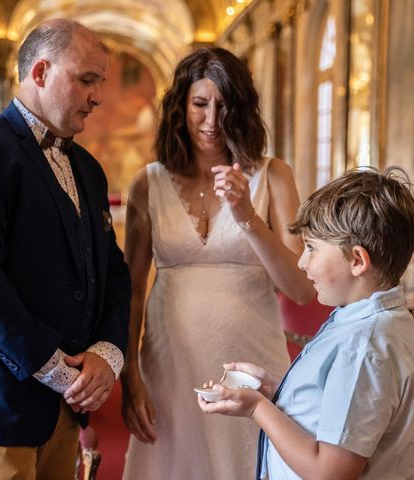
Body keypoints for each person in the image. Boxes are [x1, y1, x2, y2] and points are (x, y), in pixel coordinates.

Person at [0, 19, 131, 479]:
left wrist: (107, 352)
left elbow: (112, 270)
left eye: (101, 82)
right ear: (40, 72)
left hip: (64, 403)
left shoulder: (90, 169)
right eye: (87, 79)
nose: (98, 96)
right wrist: (56, 368)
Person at [121, 47, 314, 480]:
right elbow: (131, 291)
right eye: (200, 104)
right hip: (170, 358)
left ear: (242, 109)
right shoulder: (147, 182)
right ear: (180, 107)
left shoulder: (274, 175)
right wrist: (130, 376)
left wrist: (247, 216)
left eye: (224, 106)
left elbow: (301, 289)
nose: (211, 121)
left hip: (252, 354)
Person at [198, 168, 414, 480]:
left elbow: (329, 472)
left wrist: (257, 407)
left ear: (356, 260)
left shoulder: (363, 347)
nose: (301, 262)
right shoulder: (368, 319)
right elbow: (339, 403)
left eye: (312, 248)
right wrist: (276, 390)